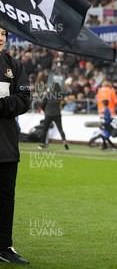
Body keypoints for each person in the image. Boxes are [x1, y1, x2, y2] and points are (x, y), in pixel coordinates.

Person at [0, 26, 31, 264]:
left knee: (5, 198)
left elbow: (23, 100)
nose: (0, 38)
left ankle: (3, 247)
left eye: (3, 34)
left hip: (6, 147)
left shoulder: (15, 66)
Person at [39, 83, 68, 150]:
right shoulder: (60, 94)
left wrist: (45, 110)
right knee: (60, 129)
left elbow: (43, 103)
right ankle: (64, 141)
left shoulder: (48, 94)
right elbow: (64, 103)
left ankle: (42, 144)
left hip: (48, 114)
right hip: (57, 114)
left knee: (45, 129)